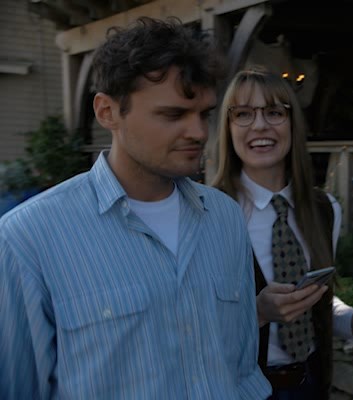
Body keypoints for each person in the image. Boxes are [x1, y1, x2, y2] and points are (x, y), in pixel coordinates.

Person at [0, 17, 271, 399]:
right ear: (107, 112)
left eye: (204, 114)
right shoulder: (28, 238)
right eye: (173, 114)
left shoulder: (225, 218)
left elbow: (242, 372)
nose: (198, 132)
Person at [211, 67, 353, 399]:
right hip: (237, 388)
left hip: (310, 384)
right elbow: (187, 325)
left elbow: (319, 302)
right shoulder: (207, 213)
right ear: (227, 129)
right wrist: (256, 313)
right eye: (243, 114)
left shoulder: (325, 209)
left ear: (292, 124)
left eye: (274, 112)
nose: (260, 125)